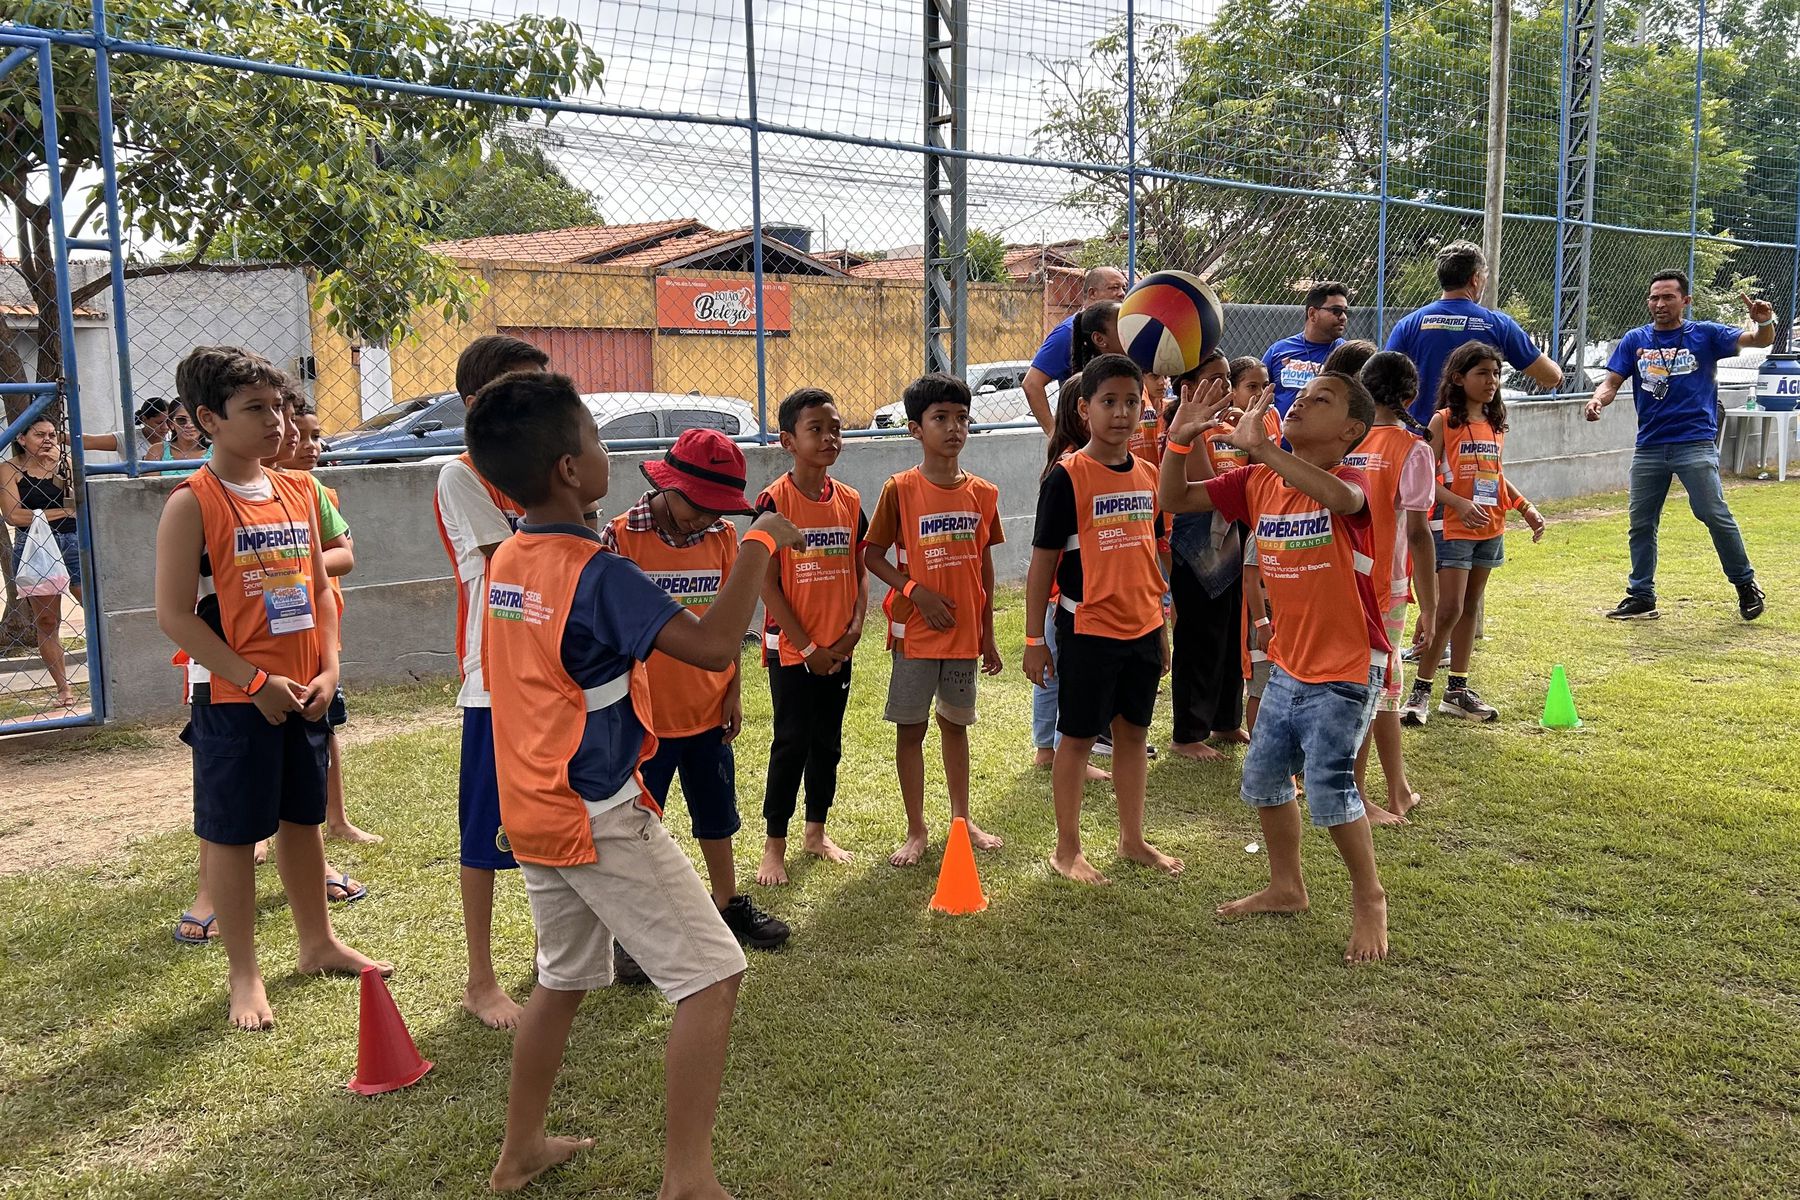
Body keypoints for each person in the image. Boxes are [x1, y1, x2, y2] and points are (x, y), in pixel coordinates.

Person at [463, 369, 803, 1196]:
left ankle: (521, 1151)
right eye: (594, 436)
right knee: (714, 975)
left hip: (535, 809)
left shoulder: (512, 553)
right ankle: (687, 1181)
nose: (605, 448)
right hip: (593, 813)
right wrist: (759, 542)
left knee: (564, 980)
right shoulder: (597, 571)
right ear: (569, 471)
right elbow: (717, 645)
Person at [153, 346, 388, 1030]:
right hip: (236, 698)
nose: (277, 422)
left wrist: (330, 666)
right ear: (207, 419)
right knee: (232, 833)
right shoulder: (190, 504)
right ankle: (245, 974)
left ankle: (317, 944)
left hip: (305, 690)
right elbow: (172, 615)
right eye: (255, 409)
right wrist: (253, 679)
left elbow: (318, 586)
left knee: (302, 820)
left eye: (282, 406)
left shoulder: (300, 493)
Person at [1159, 372, 1392, 964]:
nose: (1302, 402)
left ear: (1350, 432)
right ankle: (1288, 887)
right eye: (1303, 393)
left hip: (1345, 665)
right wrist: (1180, 441)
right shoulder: (1260, 481)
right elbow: (1176, 498)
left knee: (1328, 785)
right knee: (1263, 780)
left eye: (1323, 400)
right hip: (1290, 664)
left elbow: (1344, 503)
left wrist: (1262, 448)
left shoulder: (1349, 478)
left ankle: (1370, 898)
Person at [600, 428, 791, 971]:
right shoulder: (618, 540)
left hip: (707, 715)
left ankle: (727, 904)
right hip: (644, 722)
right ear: (665, 484)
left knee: (717, 816)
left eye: (717, 510)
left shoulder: (726, 540)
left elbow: (730, 628)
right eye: (696, 506)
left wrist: (732, 691)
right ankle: (634, 932)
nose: (705, 519)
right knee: (638, 828)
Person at [1025, 353, 1181, 886]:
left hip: (1143, 627)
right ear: (1083, 408)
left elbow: (1148, 556)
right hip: (1088, 630)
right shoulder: (1067, 477)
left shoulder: (1149, 474)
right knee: (1075, 738)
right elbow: (1042, 563)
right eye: (1108, 401)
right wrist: (1033, 639)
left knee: (1134, 735)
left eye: (1131, 401)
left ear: (1146, 406)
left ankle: (1132, 839)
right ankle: (1067, 849)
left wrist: (1162, 629)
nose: (1121, 413)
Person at [433, 333, 552, 1029]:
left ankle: (550, 955)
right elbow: (517, 556)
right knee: (486, 834)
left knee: (547, 823)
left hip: (549, 678)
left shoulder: (543, 471)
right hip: (494, 681)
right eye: (519, 388)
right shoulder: (462, 475)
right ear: (475, 403)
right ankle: (480, 980)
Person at [862, 372, 1005, 866]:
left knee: (955, 726)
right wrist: (914, 591)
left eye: (961, 417)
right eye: (940, 418)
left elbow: (983, 566)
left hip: (964, 638)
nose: (953, 427)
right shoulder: (899, 489)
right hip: (916, 636)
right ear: (915, 429)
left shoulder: (983, 493)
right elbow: (872, 554)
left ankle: (962, 819)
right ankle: (916, 828)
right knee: (911, 729)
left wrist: (987, 635)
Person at [1585, 273, 1774, 621]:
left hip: (1695, 442)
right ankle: (1642, 595)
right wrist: (1598, 401)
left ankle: (1745, 584)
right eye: (1654, 297)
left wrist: (1765, 321)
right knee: (1641, 523)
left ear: (1685, 301)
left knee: (1713, 513)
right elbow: (1611, 381)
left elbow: (1757, 341)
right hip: (1650, 446)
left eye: (1668, 297)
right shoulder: (1635, 339)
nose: (1660, 304)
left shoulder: (1705, 334)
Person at [753, 388, 870, 887]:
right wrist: (808, 647)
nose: (829, 438)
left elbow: (859, 567)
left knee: (828, 742)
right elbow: (765, 581)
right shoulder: (774, 502)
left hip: (838, 647)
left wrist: (854, 630)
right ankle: (773, 846)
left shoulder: (849, 501)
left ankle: (816, 831)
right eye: (815, 430)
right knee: (792, 741)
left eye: (835, 428)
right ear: (787, 441)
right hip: (793, 649)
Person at [1401, 342, 1546, 726]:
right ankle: (1420, 691)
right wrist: (1460, 504)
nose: (1492, 381)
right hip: (1452, 527)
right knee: (1447, 609)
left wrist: (1525, 507)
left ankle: (1458, 690)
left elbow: (1495, 475)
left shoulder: (1496, 423)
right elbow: (1424, 478)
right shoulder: (1443, 420)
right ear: (1458, 378)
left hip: (1490, 526)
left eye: (1496, 374)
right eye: (1483, 373)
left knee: (1469, 608)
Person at [278, 392, 381, 845]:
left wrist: (290, 562)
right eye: (298, 436)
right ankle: (261, 834)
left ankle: (336, 820)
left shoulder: (313, 491)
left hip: (315, 634)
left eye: (316, 436)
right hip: (263, 640)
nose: (308, 444)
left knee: (324, 726)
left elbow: (344, 555)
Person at [1345, 351, 1438, 820]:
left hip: (1341, 579)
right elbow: (1419, 535)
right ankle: (1357, 794)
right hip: (1383, 586)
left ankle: (1396, 787)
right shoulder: (1412, 448)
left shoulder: (1343, 440)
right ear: (1411, 395)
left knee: (1385, 686)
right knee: (1371, 686)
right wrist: (1433, 606)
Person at [1164, 351, 1266, 761]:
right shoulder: (1181, 422)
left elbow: (1254, 472)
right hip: (1197, 536)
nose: (1225, 386)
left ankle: (1225, 720)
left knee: (1229, 629)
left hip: (1232, 531)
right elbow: (1207, 480)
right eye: (1215, 378)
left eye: (1227, 378)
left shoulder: (1233, 421)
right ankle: (1188, 733)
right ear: (1188, 387)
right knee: (1199, 634)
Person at [1029, 377, 1112, 783]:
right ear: (1082, 410)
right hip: (1065, 594)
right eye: (1106, 402)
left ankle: (1052, 746)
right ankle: (1053, 748)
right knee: (1055, 672)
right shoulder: (1070, 464)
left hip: (1068, 592)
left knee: (1057, 672)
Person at [1384, 241, 1563, 426]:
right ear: (1475, 279)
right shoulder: (1498, 325)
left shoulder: (1408, 325)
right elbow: (1551, 376)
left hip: (1422, 442)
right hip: (1475, 444)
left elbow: (1383, 379)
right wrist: (1555, 374)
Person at [2, 415, 82, 709]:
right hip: (35, 547)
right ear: (22, 439)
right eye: (39, 435)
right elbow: (14, 515)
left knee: (96, 610)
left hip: (74, 543)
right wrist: (62, 512)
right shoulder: (9, 470)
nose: (48, 440)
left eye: (52, 434)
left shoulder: (67, 464)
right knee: (47, 620)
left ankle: (106, 679)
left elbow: (79, 502)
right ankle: (64, 689)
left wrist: (63, 466)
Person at [1023, 266, 1129, 432]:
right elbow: (1031, 384)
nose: (1122, 293)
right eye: (1114, 287)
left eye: (1124, 287)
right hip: (1083, 435)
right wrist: (1053, 433)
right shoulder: (1068, 332)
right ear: (1092, 293)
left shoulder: (1125, 329)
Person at [1262, 281, 1350, 416]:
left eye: (1345, 311)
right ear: (1312, 314)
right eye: (1336, 311)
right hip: (1280, 435)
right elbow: (1258, 394)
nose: (1343, 317)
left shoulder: (1346, 355)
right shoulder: (1279, 350)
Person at [81, 395, 173, 461]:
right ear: (145, 419)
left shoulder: (174, 438)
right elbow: (89, 441)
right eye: (159, 422)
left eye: (168, 422)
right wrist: (65, 437)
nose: (165, 427)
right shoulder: (129, 439)